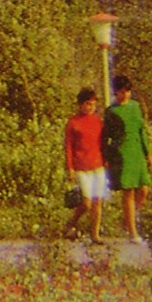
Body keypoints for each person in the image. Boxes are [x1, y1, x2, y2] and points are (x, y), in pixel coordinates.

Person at [102, 74, 152, 242]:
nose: (125, 94)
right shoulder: (111, 111)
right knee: (129, 192)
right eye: (121, 92)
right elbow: (105, 136)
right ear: (115, 92)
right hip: (122, 153)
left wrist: (148, 152)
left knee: (144, 189)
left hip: (137, 151)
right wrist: (107, 157)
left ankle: (129, 218)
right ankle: (132, 232)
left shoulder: (136, 106)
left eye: (127, 91)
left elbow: (141, 130)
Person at [62, 89, 108, 242]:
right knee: (86, 203)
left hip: (98, 165)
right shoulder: (73, 122)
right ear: (80, 105)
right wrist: (70, 168)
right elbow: (68, 146)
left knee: (97, 202)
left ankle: (95, 235)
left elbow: (103, 143)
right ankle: (71, 223)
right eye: (88, 104)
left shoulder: (97, 121)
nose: (91, 107)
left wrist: (106, 159)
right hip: (81, 166)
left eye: (93, 104)